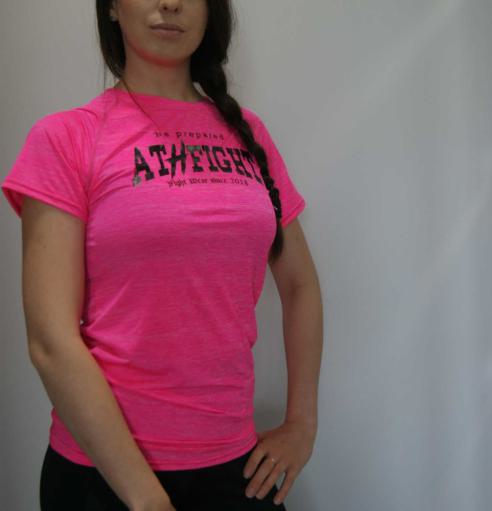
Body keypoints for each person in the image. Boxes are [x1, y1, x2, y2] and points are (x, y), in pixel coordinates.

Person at [1, 1, 323, 509]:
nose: (171, 3)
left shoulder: (250, 134)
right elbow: (50, 341)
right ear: (112, 7)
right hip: (104, 476)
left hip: (236, 469)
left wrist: (302, 423)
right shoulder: (66, 137)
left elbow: (299, 284)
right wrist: (147, 499)